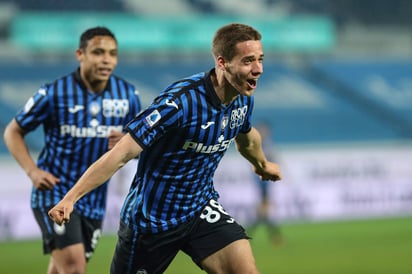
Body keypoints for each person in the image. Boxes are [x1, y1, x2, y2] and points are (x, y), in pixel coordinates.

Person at [48, 23, 282, 274]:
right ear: (222, 63)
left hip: (200, 209)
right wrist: (70, 198)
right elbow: (121, 154)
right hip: (151, 221)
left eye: (260, 59)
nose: (258, 69)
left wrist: (262, 164)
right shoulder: (180, 103)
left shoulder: (243, 99)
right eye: (248, 61)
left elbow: (247, 138)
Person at [3, 26, 142, 274]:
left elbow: (139, 144)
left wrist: (126, 141)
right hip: (54, 193)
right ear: (80, 54)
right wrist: (33, 172)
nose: (106, 59)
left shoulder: (128, 95)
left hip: (93, 199)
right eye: (98, 52)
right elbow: (13, 132)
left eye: (112, 53)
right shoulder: (53, 93)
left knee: (62, 270)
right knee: (75, 269)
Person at [247, 121, 282, 245]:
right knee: (263, 212)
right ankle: (275, 236)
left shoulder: (267, 144)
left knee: (262, 212)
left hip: (265, 182)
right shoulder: (260, 144)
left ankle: (248, 235)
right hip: (261, 182)